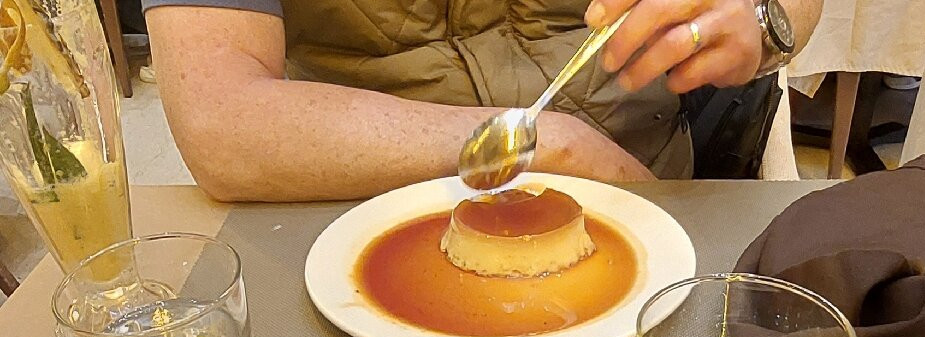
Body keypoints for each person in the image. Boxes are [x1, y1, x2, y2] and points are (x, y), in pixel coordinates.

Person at [143, 0, 822, 202]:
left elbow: (787, 7)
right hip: (359, 205)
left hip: (645, 191)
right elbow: (219, 119)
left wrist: (765, 22)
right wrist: (543, 145)